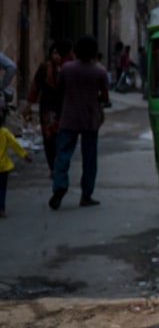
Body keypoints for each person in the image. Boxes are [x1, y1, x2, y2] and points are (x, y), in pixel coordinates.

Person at [49, 34, 109, 210]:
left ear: (76, 50)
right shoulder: (100, 71)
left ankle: (60, 184)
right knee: (89, 158)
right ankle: (86, 195)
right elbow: (104, 97)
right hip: (90, 119)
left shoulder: (67, 69)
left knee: (63, 155)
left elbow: (60, 89)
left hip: (69, 117)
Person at [27, 40, 73, 176]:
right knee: (49, 140)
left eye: (59, 53)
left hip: (63, 110)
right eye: (54, 53)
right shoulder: (44, 68)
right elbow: (35, 86)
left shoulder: (68, 69)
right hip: (47, 110)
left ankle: (60, 165)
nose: (56, 56)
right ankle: (53, 167)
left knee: (62, 139)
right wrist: (29, 104)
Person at [0, 111, 32, 218]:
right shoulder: (4, 132)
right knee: (2, 188)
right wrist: (24, 155)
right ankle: (1, 209)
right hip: (3, 166)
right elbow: (14, 144)